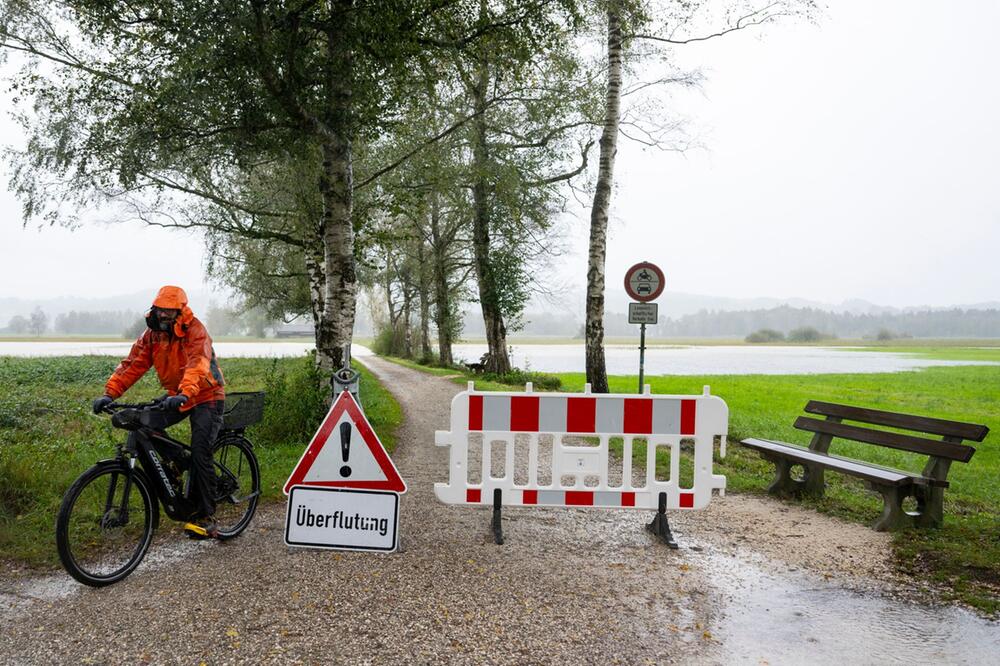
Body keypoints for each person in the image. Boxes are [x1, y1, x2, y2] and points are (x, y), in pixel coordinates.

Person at [92, 286, 226, 539]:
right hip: (178, 395)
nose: (163, 315)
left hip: (206, 395)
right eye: (160, 309)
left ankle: (206, 516)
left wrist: (185, 393)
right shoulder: (152, 335)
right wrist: (110, 393)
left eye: (169, 310)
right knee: (143, 423)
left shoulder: (195, 330)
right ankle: (180, 461)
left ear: (180, 311)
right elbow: (133, 364)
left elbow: (197, 363)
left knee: (201, 450)